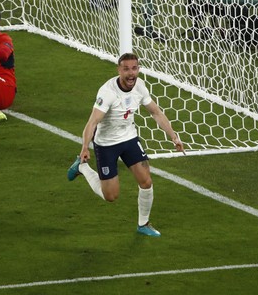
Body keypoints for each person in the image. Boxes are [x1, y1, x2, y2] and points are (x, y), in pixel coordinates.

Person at [67, 53, 185, 237]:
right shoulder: (108, 93)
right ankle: (82, 167)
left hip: (129, 138)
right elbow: (92, 123)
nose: (131, 73)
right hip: (106, 144)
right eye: (126, 69)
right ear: (119, 70)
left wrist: (174, 137)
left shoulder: (139, 86)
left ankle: (143, 224)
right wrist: (84, 149)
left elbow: (156, 112)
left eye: (134, 68)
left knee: (146, 181)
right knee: (111, 196)